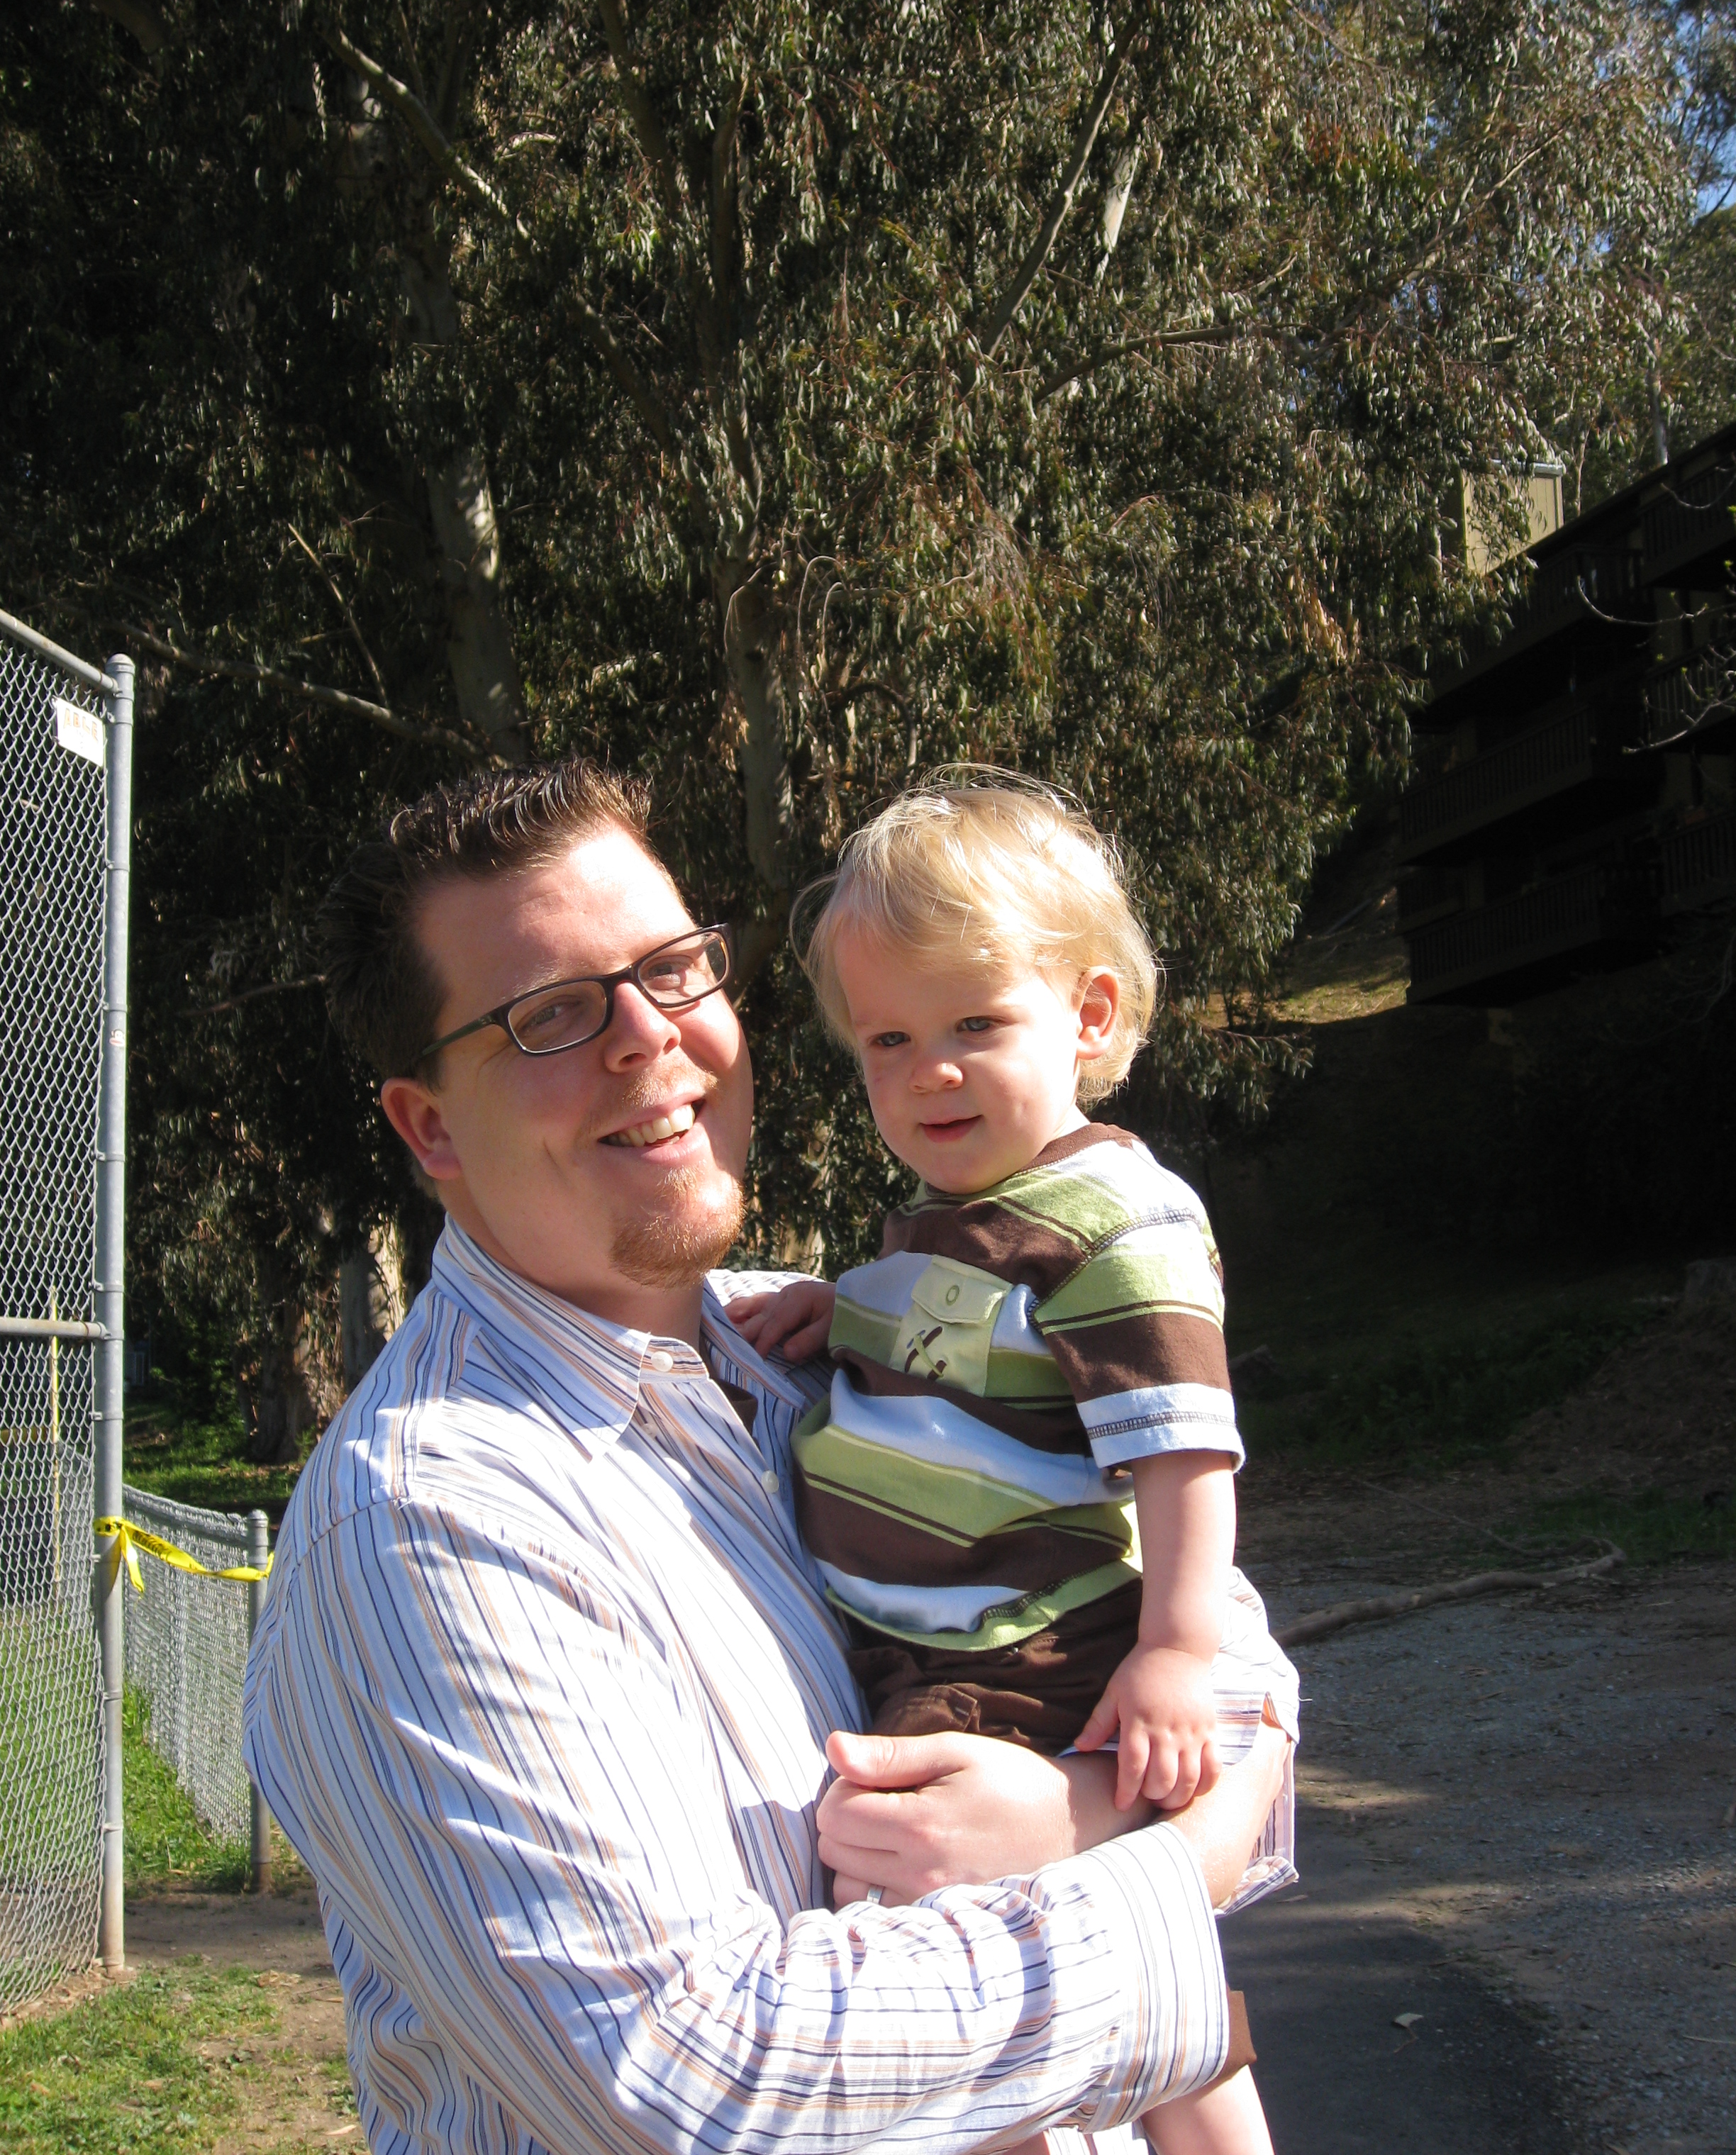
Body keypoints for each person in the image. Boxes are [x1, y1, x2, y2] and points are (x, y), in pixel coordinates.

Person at [242, 758, 1289, 2155]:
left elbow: (1211, 1621)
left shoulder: (821, 1341)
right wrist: (1184, 1853)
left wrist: (1087, 1810)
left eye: (672, 969)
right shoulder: (424, 1528)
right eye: (551, 1014)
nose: (647, 1035)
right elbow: (701, 2086)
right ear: (431, 1126)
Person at [728, 779, 1297, 2155]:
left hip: (1030, 1655)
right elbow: (956, 1344)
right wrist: (841, 1309)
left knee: (978, 1973)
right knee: (1096, 1969)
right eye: (890, 1039)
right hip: (938, 1651)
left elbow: (1183, 1448)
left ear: (1088, 1017)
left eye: (975, 1025)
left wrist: (1175, 1652)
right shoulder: (951, 1219)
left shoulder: (1111, 1220)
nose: (931, 1070)